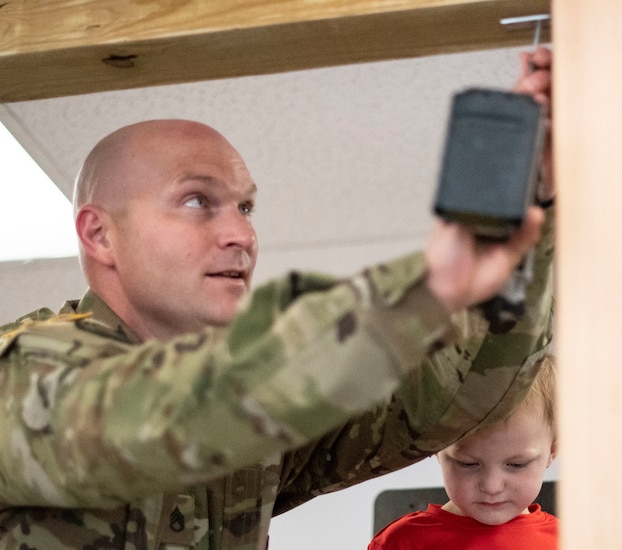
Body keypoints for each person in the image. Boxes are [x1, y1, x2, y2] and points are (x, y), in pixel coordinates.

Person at [0, 47, 555, 548]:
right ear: (99, 234)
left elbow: (461, 392)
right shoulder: (24, 377)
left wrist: (533, 205)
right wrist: (425, 288)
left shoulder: (262, 422)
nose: (240, 234)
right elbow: (152, 418)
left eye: (245, 208)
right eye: (197, 201)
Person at [368, 354, 559, 550]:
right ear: (434, 447)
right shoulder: (399, 543)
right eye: (468, 464)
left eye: (517, 464)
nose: (492, 487)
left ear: (552, 450)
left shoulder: (571, 542)